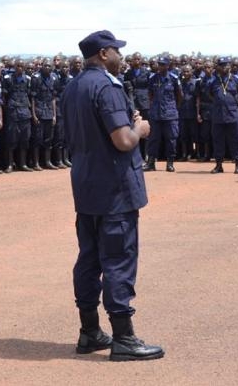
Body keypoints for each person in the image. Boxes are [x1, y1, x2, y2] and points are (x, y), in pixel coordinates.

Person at [61, 30, 163, 362]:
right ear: (104, 54)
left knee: (89, 257)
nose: (122, 57)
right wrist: (140, 130)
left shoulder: (73, 86)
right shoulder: (107, 86)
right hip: (114, 188)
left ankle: (90, 331)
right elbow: (123, 140)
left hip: (86, 184)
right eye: (117, 52)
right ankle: (124, 338)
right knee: (118, 258)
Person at [145, 56, 181, 172]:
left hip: (170, 114)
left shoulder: (174, 78)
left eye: (163, 64)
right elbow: (150, 94)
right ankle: (151, 163)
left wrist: (174, 107)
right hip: (156, 114)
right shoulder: (153, 78)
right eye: (159, 64)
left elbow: (180, 95)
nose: (160, 66)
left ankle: (170, 163)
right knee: (153, 139)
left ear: (168, 65)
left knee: (171, 139)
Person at [209, 57, 238, 174]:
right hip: (218, 115)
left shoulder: (237, 79)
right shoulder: (212, 81)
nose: (224, 67)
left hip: (233, 114)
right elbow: (209, 95)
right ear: (218, 67)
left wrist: (233, 106)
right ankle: (219, 165)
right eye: (222, 65)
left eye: (227, 65)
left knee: (236, 140)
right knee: (218, 140)